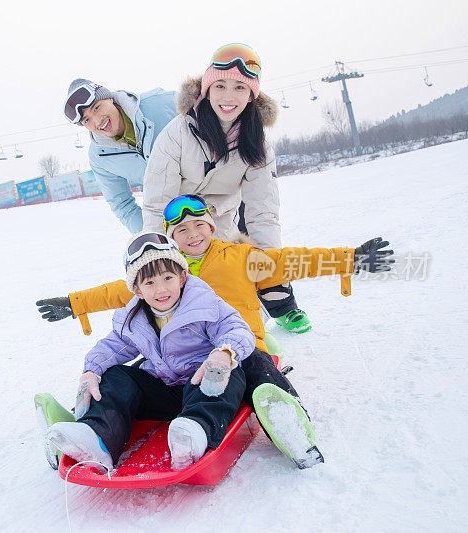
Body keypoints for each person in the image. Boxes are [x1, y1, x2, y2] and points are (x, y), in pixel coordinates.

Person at [35, 194, 394, 469]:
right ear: (173, 239)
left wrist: (351, 258)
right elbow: (116, 293)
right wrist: (74, 303)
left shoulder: (241, 257)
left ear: (212, 227)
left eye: (199, 226)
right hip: (183, 367)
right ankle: (84, 424)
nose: (193, 235)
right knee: (126, 375)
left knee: (259, 373)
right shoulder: (162, 270)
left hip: (242, 351)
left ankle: (290, 423)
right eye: (182, 231)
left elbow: (294, 261)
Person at [45, 232, 255, 471]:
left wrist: (223, 354)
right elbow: (112, 347)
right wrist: (91, 371)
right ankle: (97, 438)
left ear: (183, 277)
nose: (161, 289)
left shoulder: (205, 303)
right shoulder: (134, 319)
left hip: (204, 386)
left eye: (168, 278)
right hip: (164, 391)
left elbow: (236, 328)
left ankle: (195, 432)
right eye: (150, 283)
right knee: (116, 375)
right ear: (137, 290)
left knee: (230, 370)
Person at [139, 43, 310, 334]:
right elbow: (157, 203)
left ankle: (281, 306)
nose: (228, 97)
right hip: (179, 223)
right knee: (181, 285)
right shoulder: (176, 134)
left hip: (221, 223)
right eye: (220, 85)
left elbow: (262, 211)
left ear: (252, 96)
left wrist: (271, 264)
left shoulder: (257, 143)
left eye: (240, 88)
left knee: (242, 271)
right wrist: (155, 258)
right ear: (206, 90)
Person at [63, 79, 176, 233]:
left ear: (109, 98)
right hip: (175, 221)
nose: (97, 121)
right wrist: (152, 237)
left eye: (96, 108)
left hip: (214, 202)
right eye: (87, 120)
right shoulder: (100, 157)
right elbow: (122, 205)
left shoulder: (161, 103)